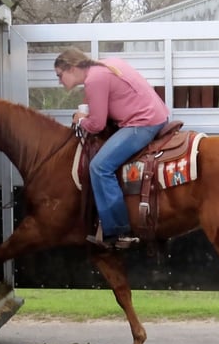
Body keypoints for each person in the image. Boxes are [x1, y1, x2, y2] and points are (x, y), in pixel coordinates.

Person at [54, 47, 169, 249]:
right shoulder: (106, 65)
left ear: (71, 68)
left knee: (99, 167)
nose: (59, 81)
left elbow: (97, 125)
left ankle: (119, 230)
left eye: (59, 75)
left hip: (142, 123)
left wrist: (80, 121)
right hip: (155, 115)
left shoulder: (94, 79)